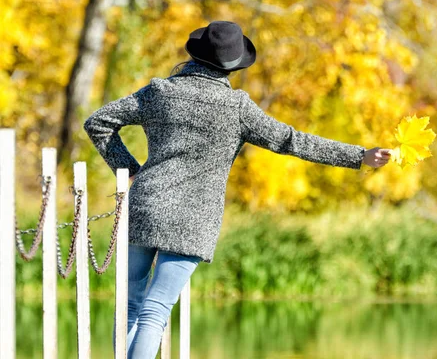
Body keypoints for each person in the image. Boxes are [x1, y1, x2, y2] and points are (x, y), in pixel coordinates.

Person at [83, 20, 392, 358]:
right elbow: (291, 141)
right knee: (155, 311)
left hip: (146, 205)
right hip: (193, 221)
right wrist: (359, 156)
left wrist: (127, 169)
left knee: (129, 306)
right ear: (233, 65)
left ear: (196, 55)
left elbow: (97, 122)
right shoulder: (237, 108)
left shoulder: (160, 92)